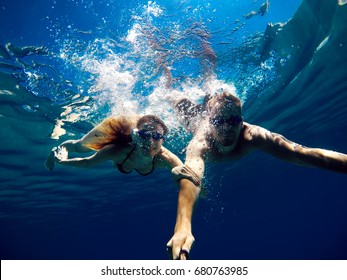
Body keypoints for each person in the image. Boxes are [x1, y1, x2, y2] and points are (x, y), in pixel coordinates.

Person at [166, 90, 347, 260]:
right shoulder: (200, 142)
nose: (227, 128)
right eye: (218, 121)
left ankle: (209, 80)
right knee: (175, 99)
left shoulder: (253, 135)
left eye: (233, 120)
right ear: (210, 121)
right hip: (195, 120)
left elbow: (302, 153)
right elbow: (191, 177)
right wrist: (183, 226)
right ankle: (169, 78)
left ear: (242, 120)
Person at [45, 114, 200, 185]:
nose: (150, 141)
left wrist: (198, 188)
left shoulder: (164, 157)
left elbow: (188, 177)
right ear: (137, 136)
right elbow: (87, 163)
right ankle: (60, 146)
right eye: (145, 135)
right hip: (121, 138)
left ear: (163, 139)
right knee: (81, 146)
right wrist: (62, 161)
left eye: (156, 136)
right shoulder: (116, 151)